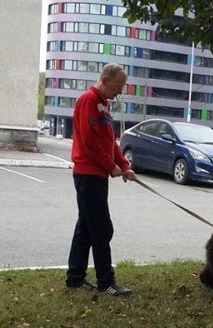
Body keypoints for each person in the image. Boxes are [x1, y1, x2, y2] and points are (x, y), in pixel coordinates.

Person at [65, 63, 137, 296]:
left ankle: (75, 278)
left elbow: (110, 142)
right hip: (88, 175)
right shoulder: (88, 100)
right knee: (101, 228)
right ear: (105, 80)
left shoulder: (104, 106)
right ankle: (106, 282)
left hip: (97, 176)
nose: (120, 92)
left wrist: (124, 165)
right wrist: (111, 166)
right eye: (118, 86)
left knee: (86, 226)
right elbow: (89, 142)